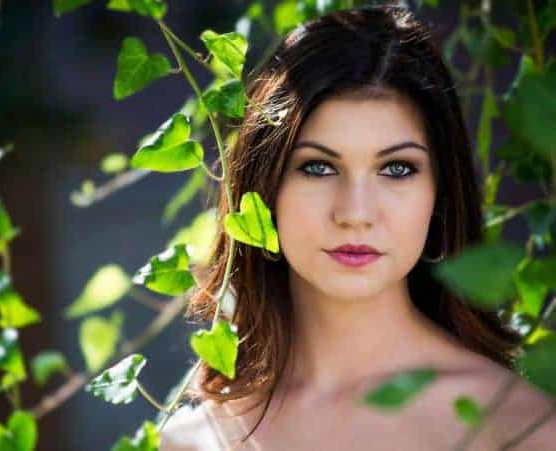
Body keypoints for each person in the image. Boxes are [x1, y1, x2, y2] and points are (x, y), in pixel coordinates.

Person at [160, 4, 555, 450]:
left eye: (398, 169)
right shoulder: (193, 442)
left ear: (440, 194)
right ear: (264, 188)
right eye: (318, 168)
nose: (355, 212)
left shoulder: (521, 426)